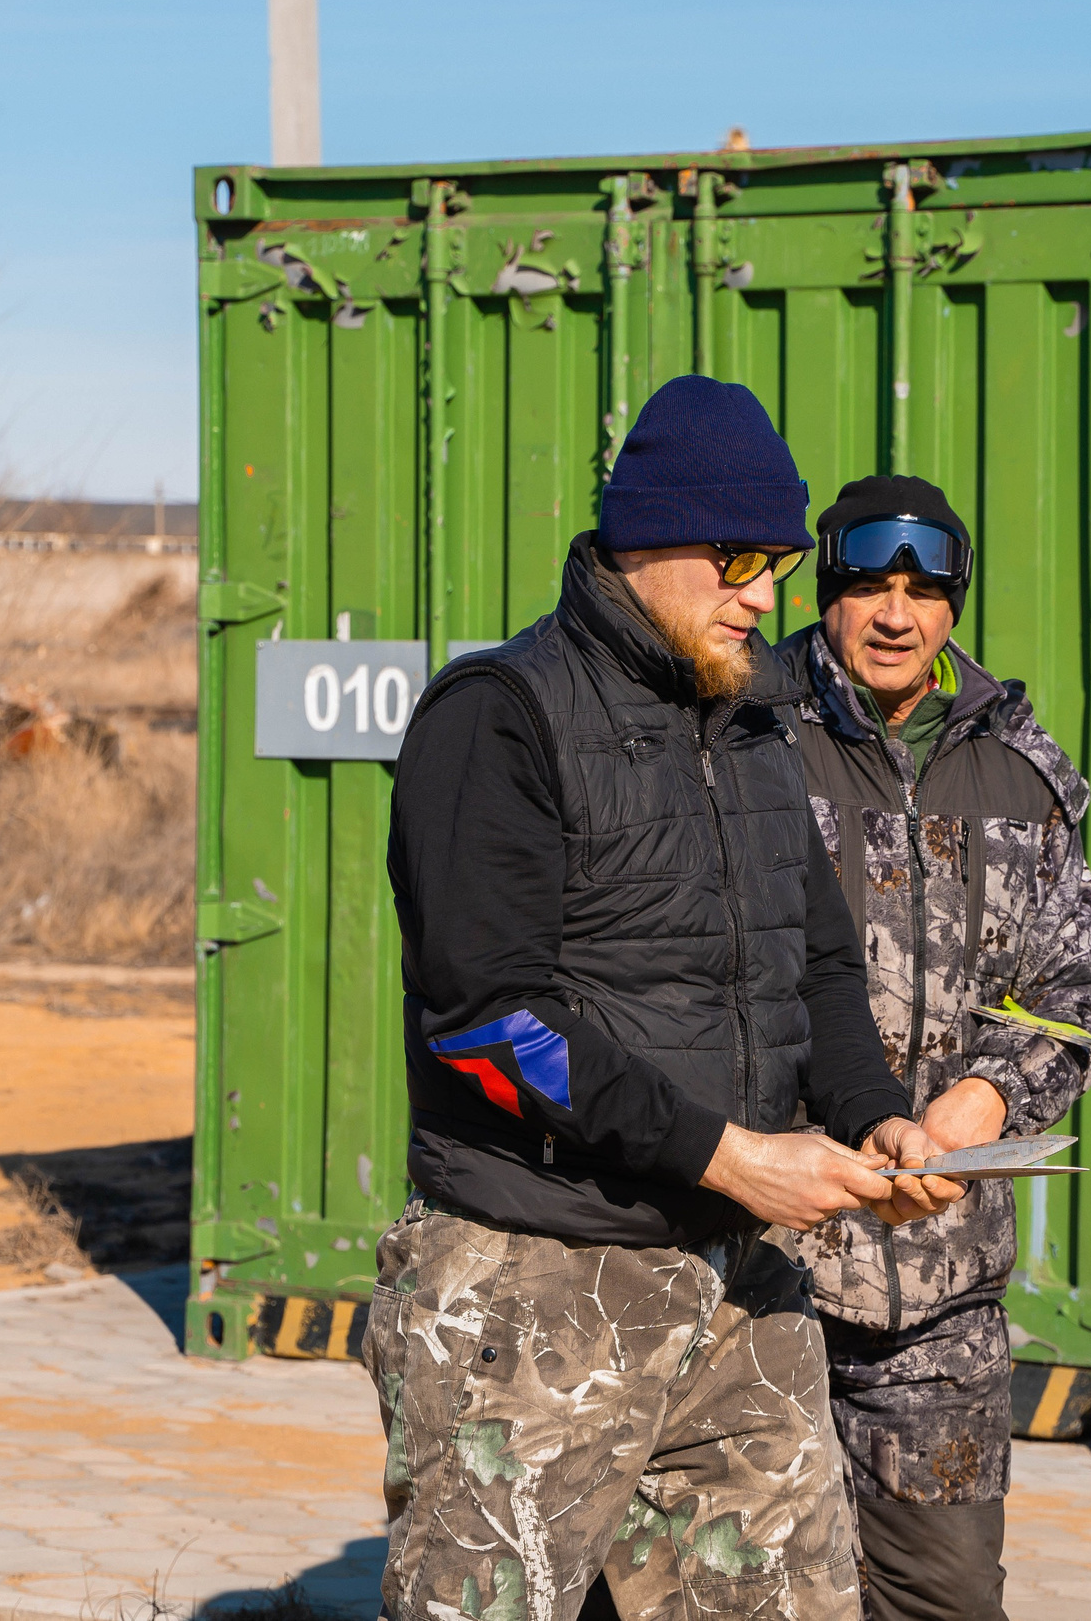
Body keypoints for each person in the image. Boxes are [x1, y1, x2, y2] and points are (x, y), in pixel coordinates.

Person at [366, 378, 963, 1621]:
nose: (765, 595)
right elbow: (482, 1023)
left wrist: (873, 1118)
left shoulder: (750, 726)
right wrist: (728, 1153)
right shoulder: (501, 719)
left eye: (782, 564)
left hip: (735, 1285)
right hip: (533, 1287)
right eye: (740, 559)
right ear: (643, 540)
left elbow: (816, 966)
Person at [779, 475, 1091, 1621]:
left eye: (924, 591)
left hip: (943, 1302)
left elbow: (1070, 994)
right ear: (827, 590)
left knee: (947, 1598)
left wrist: (987, 1094)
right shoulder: (742, 737)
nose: (896, 614)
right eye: (870, 584)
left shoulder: (1018, 771)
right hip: (754, 1277)